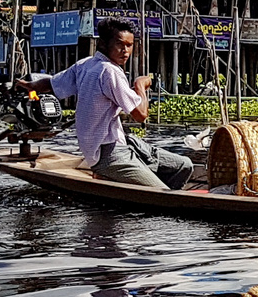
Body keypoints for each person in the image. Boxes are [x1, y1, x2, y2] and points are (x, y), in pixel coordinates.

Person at [17, 18, 192, 189]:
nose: (125, 51)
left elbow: (52, 84)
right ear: (103, 44)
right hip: (108, 155)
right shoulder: (109, 72)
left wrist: (29, 86)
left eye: (129, 45)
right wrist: (140, 85)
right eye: (119, 44)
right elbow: (141, 115)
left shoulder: (86, 64)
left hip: (124, 144)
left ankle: (137, 183)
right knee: (160, 193)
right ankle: (115, 177)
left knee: (184, 165)